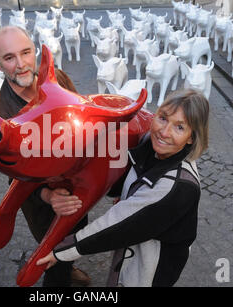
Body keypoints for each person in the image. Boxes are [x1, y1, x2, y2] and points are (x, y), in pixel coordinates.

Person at [37, 89, 210, 287]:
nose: (164, 132)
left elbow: (118, 224)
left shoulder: (176, 186)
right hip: (133, 250)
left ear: (191, 138)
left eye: (179, 127)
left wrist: (61, 251)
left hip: (150, 268)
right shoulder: (149, 145)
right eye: (162, 118)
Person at [0, 26, 90, 287]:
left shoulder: (59, 79)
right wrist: (48, 196)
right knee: (51, 257)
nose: (21, 65)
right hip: (44, 206)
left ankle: (69, 265)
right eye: (9, 57)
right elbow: (13, 178)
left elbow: (81, 118)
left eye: (26, 53)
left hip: (77, 187)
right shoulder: (1, 114)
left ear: (35, 51)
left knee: (74, 238)